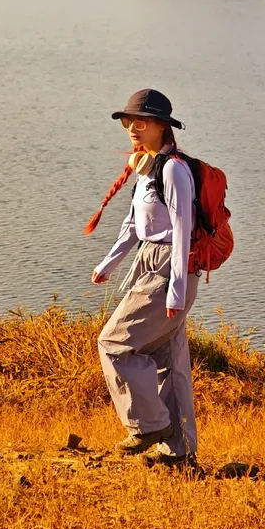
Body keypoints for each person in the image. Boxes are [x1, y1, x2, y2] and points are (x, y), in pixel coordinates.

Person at [87, 88, 200, 467]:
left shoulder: (173, 170)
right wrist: (109, 263)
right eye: (128, 121)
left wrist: (175, 292)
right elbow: (134, 226)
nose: (133, 127)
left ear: (162, 126)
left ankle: (148, 425)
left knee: (114, 343)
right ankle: (179, 453)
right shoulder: (148, 167)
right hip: (151, 263)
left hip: (169, 267)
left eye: (143, 121)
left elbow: (183, 231)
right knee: (169, 359)